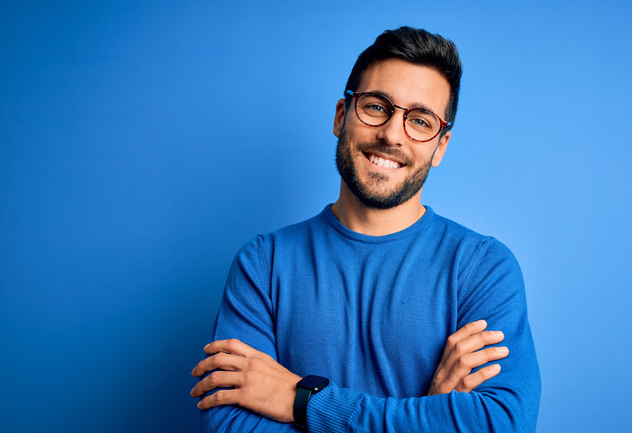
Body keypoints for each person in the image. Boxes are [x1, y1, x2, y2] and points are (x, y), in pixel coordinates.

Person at [190, 26, 541, 432]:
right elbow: (232, 424)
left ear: (440, 145)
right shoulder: (263, 264)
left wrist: (301, 400)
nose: (392, 134)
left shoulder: (482, 268)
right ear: (342, 116)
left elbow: (502, 423)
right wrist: (428, 417)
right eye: (376, 107)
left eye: (420, 120)